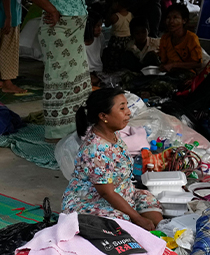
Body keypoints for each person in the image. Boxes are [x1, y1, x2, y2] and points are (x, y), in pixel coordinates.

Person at [62, 88, 162, 231]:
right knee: (122, 221)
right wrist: (138, 218)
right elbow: (106, 193)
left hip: (122, 192)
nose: (128, 112)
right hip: (91, 201)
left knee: (148, 199)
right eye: (122, 108)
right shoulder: (95, 150)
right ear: (103, 116)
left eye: (127, 106)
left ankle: (157, 232)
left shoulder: (113, 134)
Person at [26, 0, 91, 141]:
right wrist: (52, 9)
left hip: (73, 33)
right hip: (59, 32)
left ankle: (73, 126)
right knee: (60, 77)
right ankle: (56, 132)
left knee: (76, 77)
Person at [159, 3, 202, 75]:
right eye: (168, 18)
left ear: (184, 21)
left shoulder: (191, 38)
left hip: (186, 74)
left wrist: (174, 65)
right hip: (169, 73)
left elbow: (198, 64)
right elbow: (163, 61)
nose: (171, 21)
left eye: (175, 17)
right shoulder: (165, 38)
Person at [103, 0, 134, 71]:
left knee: (113, 61)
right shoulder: (130, 15)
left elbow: (106, 24)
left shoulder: (115, 16)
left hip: (116, 41)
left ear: (116, 3)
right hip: (128, 40)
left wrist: (111, 9)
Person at [85, 12, 105, 85]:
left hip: (98, 70)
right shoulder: (80, 40)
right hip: (86, 71)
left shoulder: (100, 37)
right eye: (97, 26)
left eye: (100, 25)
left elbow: (101, 53)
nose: (100, 29)